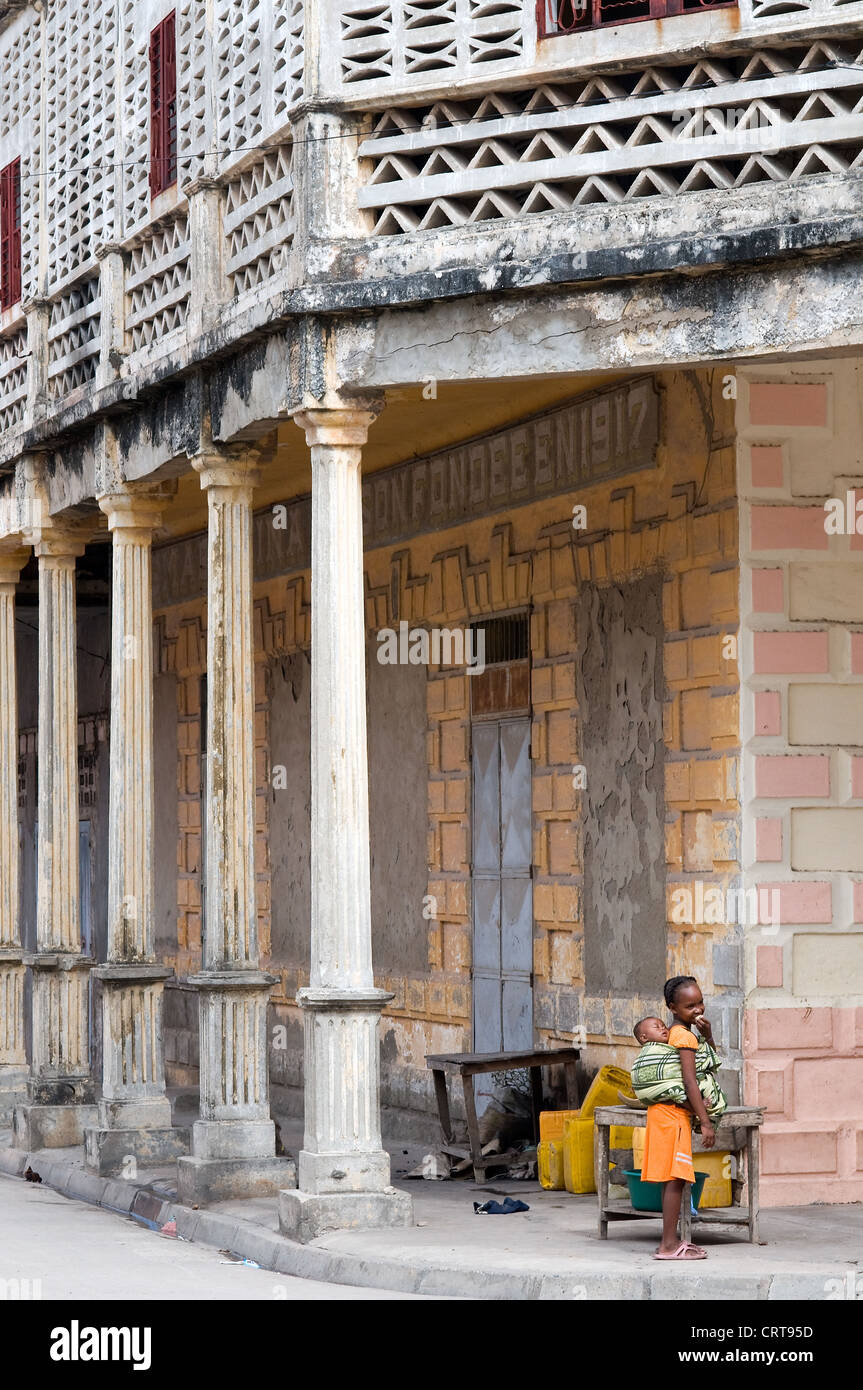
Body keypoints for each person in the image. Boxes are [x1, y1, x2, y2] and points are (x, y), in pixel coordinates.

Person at [639, 976, 718, 1261]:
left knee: (670, 1180)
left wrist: (708, 1036)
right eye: (689, 1006)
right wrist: (706, 1122)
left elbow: (701, 1066)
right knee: (675, 1179)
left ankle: (669, 1241)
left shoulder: (673, 1032)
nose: (698, 1009)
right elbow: (691, 1081)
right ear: (672, 1006)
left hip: (661, 1114)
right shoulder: (684, 1036)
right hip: (673, 1116)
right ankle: (669, 1246)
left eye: (700, 1002)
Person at [630, 1015, 727, 1121]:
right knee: (678, 1089)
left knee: (678, 1088)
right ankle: (695, 1108)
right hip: (664, 1108)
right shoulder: (649, 1053)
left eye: (663, 1026)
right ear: (644, 1038)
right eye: (657, 1027)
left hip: (662, 1112)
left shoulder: (672, 1044)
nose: (663, 1028)